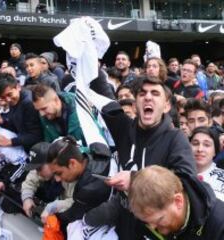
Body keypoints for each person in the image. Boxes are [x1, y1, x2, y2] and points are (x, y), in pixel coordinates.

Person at [84, 76, 196, 238]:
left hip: (154, 229)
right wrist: (88, 54)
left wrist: (135, 179)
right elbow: (103, 94)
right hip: (123, 223)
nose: (148, 97)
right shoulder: (124, 128)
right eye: (142, 93)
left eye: (155, 93)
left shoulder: (176, 139)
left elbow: (186, 182)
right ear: (135, 105)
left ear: (166, 106)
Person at [128, 165, 224, 239]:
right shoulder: (151, 218)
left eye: (159, 220)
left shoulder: (219, 226)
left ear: (178, 201)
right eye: (147, 222)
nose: (152, 228)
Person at [47, 136, 111, 230]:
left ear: (72, 163)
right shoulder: (97, 150)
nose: (57, 179)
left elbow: (72, 216)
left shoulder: (88, 189)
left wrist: (53, 218)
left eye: (59, 173)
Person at [21, 142, 74, 223]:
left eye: (39, 168)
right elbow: (29, 182)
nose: (37, 172)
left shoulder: (70, 173)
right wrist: (27, 198)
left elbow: (75, 201)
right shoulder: (43, 167)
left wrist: (53, 206)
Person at [0, 73, 43, 152]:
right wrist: (2, 121)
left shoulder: (28, 103)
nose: (8, 100)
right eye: (3, 97)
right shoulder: (15, 100)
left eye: (9, 94)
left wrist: (10, 142)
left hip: (39, 150)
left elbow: (36, 135)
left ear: (18, 87)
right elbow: (18, 125)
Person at [190, 127, 224, 201]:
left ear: (215, 151)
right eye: (195, 144)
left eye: (206, 145)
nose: (200, 149)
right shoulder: (178, 176)